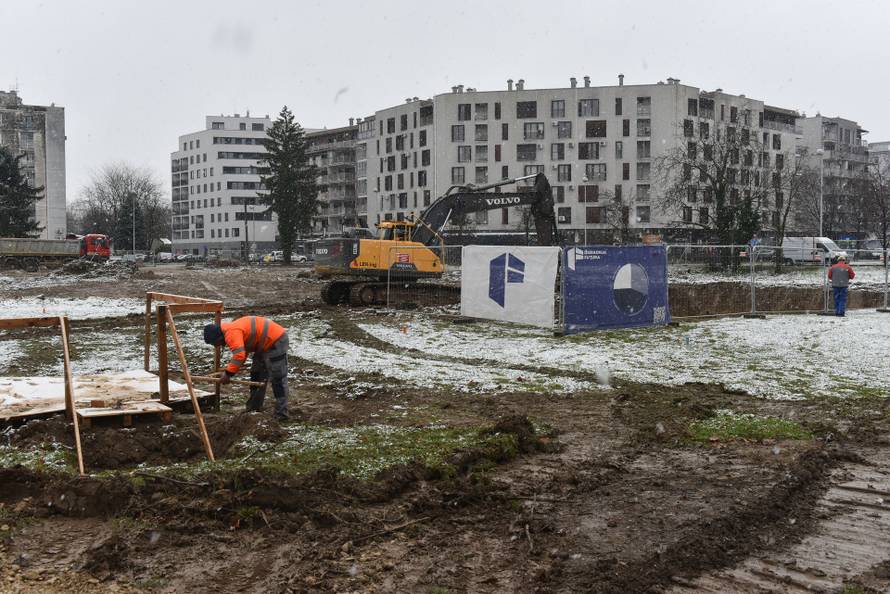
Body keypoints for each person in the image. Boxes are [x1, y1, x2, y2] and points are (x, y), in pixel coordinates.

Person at [203, 316, 290, 420]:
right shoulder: (229, 330)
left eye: (214, 344)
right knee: (256, 374)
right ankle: (254, 408)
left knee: (278, 379)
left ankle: (282, 414)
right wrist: (231, 370)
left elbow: (239, 355)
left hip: (275, 340)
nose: (216, 346)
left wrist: (228, 374)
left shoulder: (231, 333)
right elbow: (242, 355)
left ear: (218, 338)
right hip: (263, 344)